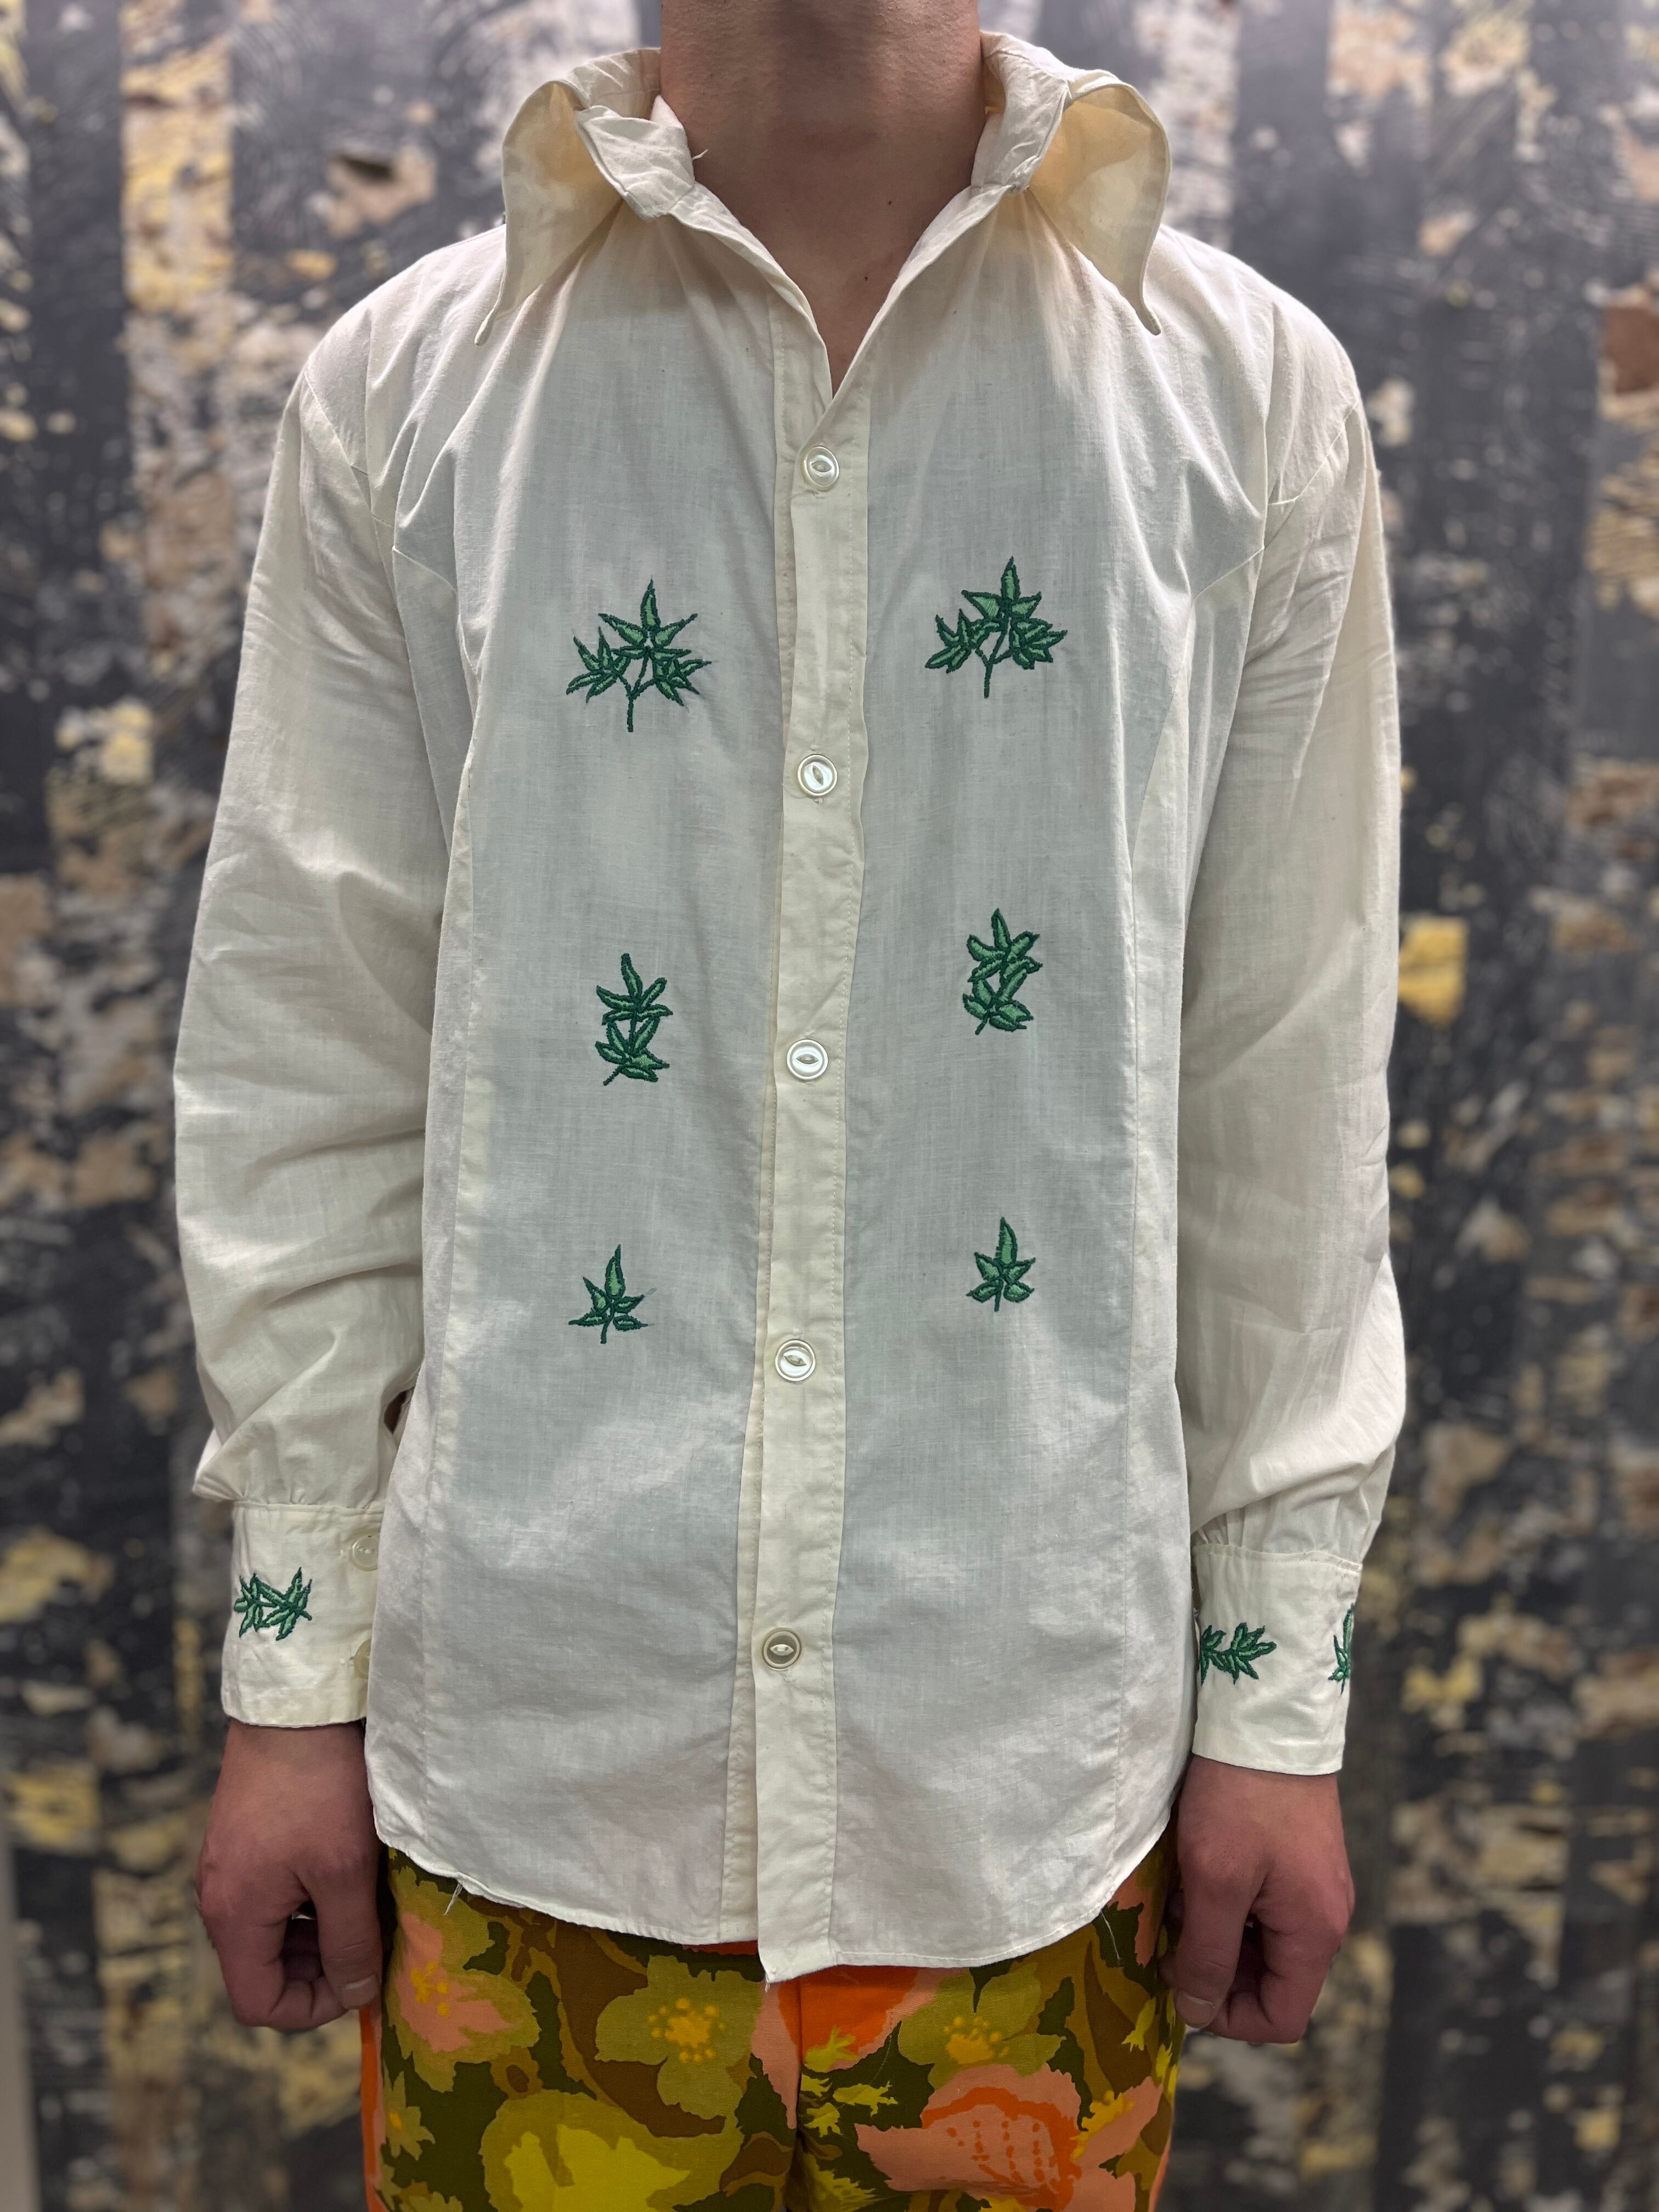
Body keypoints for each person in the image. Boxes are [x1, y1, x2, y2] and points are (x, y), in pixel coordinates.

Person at [173, 1, 1405, 2203]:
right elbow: (312, 1046)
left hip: (1030, 1796)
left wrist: (1275, 1698)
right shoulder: (411, 389)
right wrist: (291, 1675)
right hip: (527, 1785)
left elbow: (1283, 1087)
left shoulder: (1244, 399)